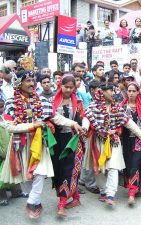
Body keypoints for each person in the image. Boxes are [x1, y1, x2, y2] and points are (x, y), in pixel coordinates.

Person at [0, 71, 82, 218]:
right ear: (18, 84)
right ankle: (36, 202)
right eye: (28, 81)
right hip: (21, 145)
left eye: (33, 80)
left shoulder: (41, 101)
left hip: (40, 144)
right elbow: (9, 126)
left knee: (41, 172)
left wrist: (73, 123)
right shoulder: (11, 102)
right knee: (27, 176)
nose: (32, 84)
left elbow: (56, 117)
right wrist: (32, 126)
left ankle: (32, 202)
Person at [82, 83, 141, 206]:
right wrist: (84, 128)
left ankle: (110, 194)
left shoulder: (117, 108)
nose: (113, 94)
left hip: (113, 141)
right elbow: (86, 118)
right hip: (97, 141)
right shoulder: (93, 107)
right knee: (100, 168)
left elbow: (129, 123)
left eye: (113, 91)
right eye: (110, 91)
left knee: (113, 167)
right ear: (102, 92)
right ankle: (103, 191)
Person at [50, 74, 86, 217]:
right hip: (57, 140)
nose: (68, 90)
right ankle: (76, 197)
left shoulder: (78, 101)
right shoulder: (52, 101)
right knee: (58, 169)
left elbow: (82, 119)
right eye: (66, 86)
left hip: (73, 140)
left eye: (71, 87)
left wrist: (83, 128)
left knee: (69, 170)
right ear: (60, 85)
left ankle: (62, 203)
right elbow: (51, 118)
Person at [120, 82, 141, 205]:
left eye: (134, 91)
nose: (131, 93)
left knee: (136, 164)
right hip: (126, 140)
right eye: (129, 91)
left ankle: (132, 193)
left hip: (140, 141)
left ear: (138, 92)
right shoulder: (121, 107)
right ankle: (134, 188)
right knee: (128, 164)